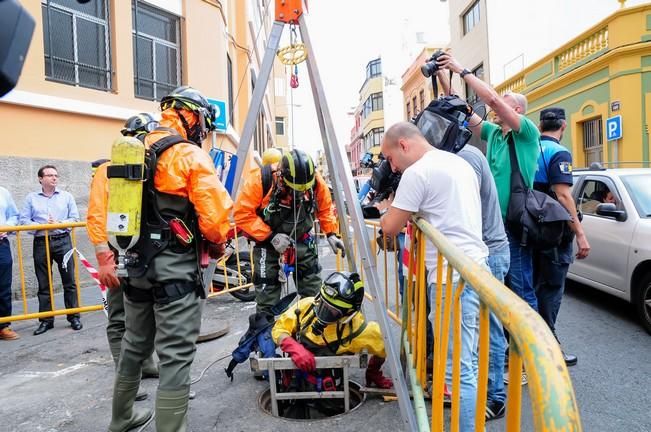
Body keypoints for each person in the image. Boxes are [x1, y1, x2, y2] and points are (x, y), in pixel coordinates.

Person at [95, 86, 233, 432]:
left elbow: (104, 212)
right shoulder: (188, 156)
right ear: (190, 116)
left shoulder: (127, 153)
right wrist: (217, 248)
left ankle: (122, 418)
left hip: (135, 269)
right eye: (202, 120)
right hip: (175, 272)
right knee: (175, 356)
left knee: (134, 344)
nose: (203, 128)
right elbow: (217, 222)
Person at [380, 122, 488, 432]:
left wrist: (390, 209)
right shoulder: (457, 162)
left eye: (390, 158)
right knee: (465, 360)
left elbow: (389, 227)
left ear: (403, 145)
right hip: (473, 268)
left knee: (459, 367)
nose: (392, 166)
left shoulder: (418, 173)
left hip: (450, 278)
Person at [437, 52, 541, 314]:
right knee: (496, 291)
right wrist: (441, 72)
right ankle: (506, 345)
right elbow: (460, 108)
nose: (494, 107)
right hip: (494, 225)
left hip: (515, 225)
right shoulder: (494, 133)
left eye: (502, 104)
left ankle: (535, 349)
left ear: (516, 110)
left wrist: (461, 69)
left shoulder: (526, 132)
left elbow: (491, 99)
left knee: (520, 288)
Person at [87, 114, 160, 402]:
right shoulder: (108, 171)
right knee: (120, 317)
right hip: (119, 255)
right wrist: (104, 258)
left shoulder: (156, 170)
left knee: (148, 313)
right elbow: (95, 215)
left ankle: (148, 364)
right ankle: (126, 377)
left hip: (146, 254)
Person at [233, 148, 344, 315]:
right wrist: (270, 236)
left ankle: (312, 334)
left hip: (302, 242)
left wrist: (331, 233)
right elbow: (242, 214)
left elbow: (325, 208)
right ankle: (266, 335)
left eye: (302, 190)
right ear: (282, 176)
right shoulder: (261, 180)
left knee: (313, 293)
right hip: (268, 246)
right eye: (294, 189)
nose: (298, 193)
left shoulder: (314, 181)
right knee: (266, 297)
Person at [533, 107, 590, 367]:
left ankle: (529, 341)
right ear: (563, 126)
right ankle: (548, 344)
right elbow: (564, 195)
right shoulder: (559, 152)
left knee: (532, 286)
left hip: (528, 228)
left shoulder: (529, 148)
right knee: (552, 288)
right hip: (554, 232)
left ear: (540, 125)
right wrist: (580, 233)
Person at [456, 144, 510, 420]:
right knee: (483, 327)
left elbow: (467, 209)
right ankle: (486, 389)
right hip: (485, 251)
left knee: (490, 329)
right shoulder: (463, 155)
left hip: (489, 252)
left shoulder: (465, 157)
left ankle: (495, 396)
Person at [272, 271, 392, 389]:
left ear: (348, 313)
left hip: (329, 386)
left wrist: (373, 372)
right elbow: (279, 329)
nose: (324, 312)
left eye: (332, 311)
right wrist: (294, 348)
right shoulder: (307, 306)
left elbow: (383, 346)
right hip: (295, 378)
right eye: (323, 305)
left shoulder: (359, 331)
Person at [20, 165, 81, 335]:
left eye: (56, 175)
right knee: (44, 283)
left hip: (63, 241)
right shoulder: (31, 198)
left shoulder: (66, 196)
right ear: (40, 179)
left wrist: (58, 225)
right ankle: (46, 320)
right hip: (41, 242)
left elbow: (75, 218)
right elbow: (24, 221)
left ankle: (74, 316)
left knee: (69, 281)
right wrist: (42, 226)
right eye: (50, 175)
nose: (54, 178)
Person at [0, 186, 19, 340]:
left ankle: (3, 326)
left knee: (3, 285)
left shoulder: (3, 192)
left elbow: (14, 215)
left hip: (1, 245)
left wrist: (7, 227)